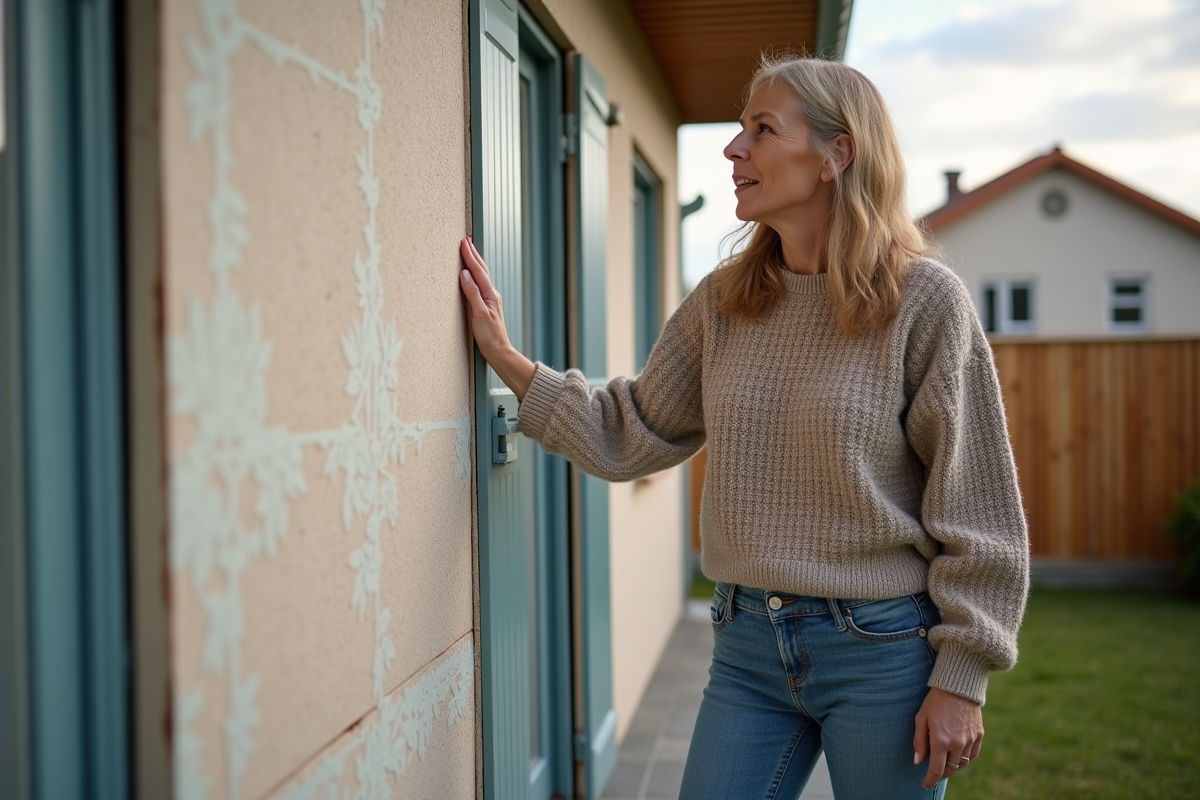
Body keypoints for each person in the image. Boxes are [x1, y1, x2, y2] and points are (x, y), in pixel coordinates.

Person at [458, 54, 1029, 800]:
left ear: (837, 153)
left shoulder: (924, 304)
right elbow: (632, 426)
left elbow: (980, 509)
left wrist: (962, 677)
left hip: (884, 650)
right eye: (738, 130)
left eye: (761, 129)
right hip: (749, 645)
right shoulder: (726, 301)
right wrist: (506, 358)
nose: (734, 150)